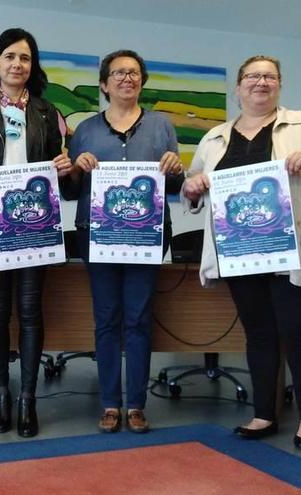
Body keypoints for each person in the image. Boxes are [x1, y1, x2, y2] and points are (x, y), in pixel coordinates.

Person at [182, 55, 301, 451]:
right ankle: (264, 413)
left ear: (279, 85)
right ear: (238, 87)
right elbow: (193, 185)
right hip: (240, 251)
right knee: (258, 333)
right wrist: (191, 187)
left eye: (270, 76)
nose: (261, 82)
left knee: (298, 331)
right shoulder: (214, 138)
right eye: (253, 76)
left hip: (291, 251)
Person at [0, 28, 72, 438]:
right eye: (9, 57)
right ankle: (2, 394)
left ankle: (28, 399)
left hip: (36, 218)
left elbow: (59, 168)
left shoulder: (45, 110)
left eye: (24, 58)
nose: (17, 64)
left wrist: (63, 168)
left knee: (29, 308)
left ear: (31, 65)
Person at [62, 50, 184, 434]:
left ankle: (137, 405)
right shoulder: (85, 130)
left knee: (139, 318)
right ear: (104, 84)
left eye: (133, 72)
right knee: (107, 319)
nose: (126, 78)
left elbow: (175, 187)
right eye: (118, 73)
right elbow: (69, 191)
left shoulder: (162, 127)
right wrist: (77, 171)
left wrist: (176, 170)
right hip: (97, 236)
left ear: (141, 81)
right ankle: (110, 403)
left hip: (146, 236)